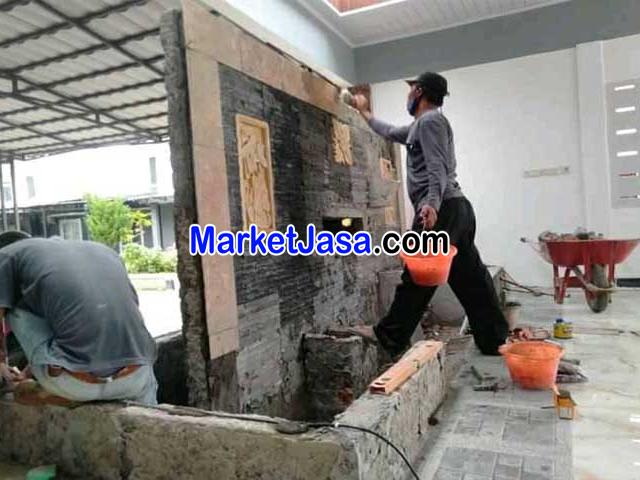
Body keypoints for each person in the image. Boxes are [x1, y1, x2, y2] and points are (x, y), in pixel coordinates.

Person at [350, 72, 509, 357]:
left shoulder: (430, 121)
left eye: (410, 91)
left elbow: (438, 168)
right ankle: (494, 338)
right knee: (469, 276)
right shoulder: (420, 126)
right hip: (456, 209)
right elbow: (389, 132)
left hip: (441, 210)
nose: (408, 96)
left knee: (417, 276)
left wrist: (431, 205)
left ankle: (389, 335)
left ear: (419, 92)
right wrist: (364, 112)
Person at [0, 231, 157, 404]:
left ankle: (61, 391)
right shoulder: (103, 251)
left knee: (15, 307)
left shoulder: (5, 257)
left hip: (74, 384)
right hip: (135, 379)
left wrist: (2, 365)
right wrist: (27, 373)